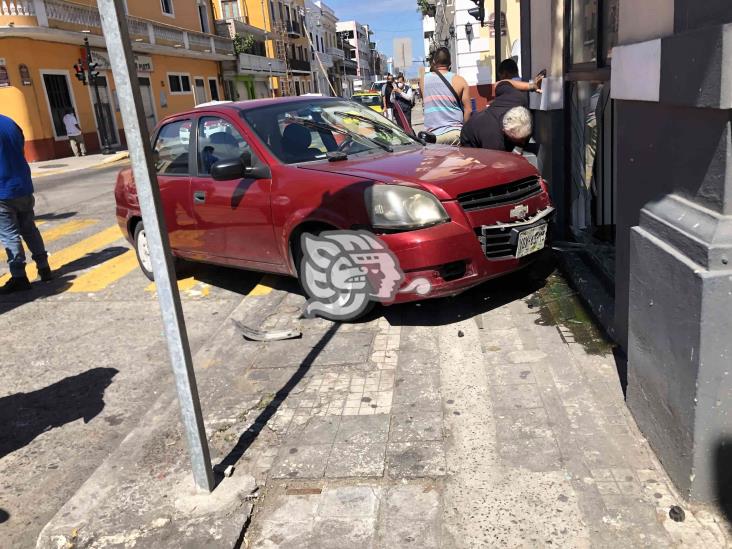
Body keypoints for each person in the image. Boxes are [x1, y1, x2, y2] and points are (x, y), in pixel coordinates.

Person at [0, 114, 53, 294]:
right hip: (22, 185)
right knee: (29, 229)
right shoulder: (9, 122)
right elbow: (21, 146)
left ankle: (19, 277)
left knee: (10, 235)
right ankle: (44, 267)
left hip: (2, 190)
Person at [460, 59, 544, 152]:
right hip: (470, 141)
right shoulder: (494, 141)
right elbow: (495, 165)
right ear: (505, 132)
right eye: (519, 141)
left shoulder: (517, 98)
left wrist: (531, 86)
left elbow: (502, 83)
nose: (523, 143)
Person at [421, 47, 471, 145]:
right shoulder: (460, 80)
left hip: (432, 137)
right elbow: (468, 110)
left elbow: (425, 101)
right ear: (450, 63)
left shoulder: (423, 80)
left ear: (434, 61)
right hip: (455, 134)